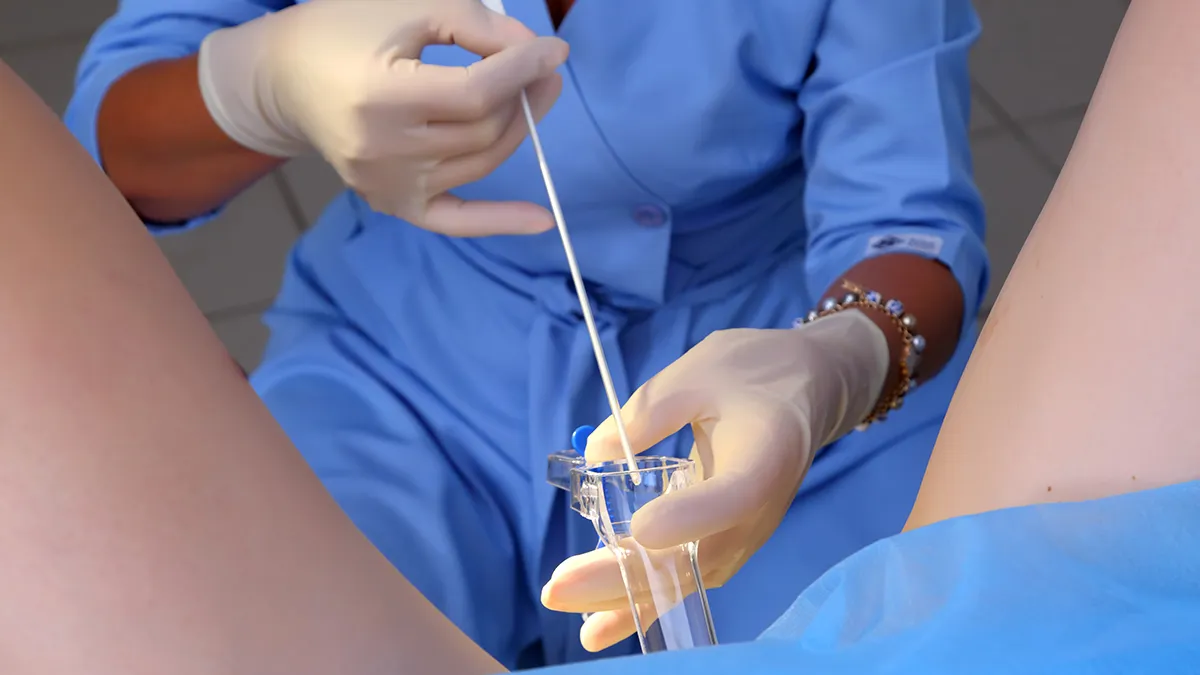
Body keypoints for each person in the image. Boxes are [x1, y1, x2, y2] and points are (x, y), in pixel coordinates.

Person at [3, 1, 1200, 672]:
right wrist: (246, 85)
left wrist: (834, 365)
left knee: (864, 626)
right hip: (402, 361)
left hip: (752, 373)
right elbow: (114, 155)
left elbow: (910, 229)